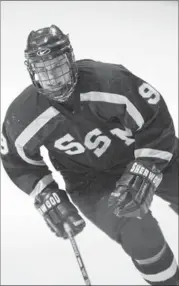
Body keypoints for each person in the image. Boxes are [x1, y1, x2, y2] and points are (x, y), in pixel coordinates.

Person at [1, 25, 178, 285]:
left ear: (70, 60)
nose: (53, 77)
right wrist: (47, 193)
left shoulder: (110, 81)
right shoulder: (24, 114)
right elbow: (17, 160)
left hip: (144, 155)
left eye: (58, 66)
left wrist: (147, 166)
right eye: (43, 70)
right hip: (92, 182)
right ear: (32, 71)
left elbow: (154, 119)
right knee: (140, 235)